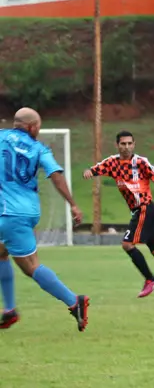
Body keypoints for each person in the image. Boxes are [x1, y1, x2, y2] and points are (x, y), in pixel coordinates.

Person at [0, 107, 89, 331]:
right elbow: (55, 176)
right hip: (24, 212)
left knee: (31, 267)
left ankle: (74, 301)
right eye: (38, 126)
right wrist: (73, 204)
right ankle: (9, 310)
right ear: (31, 127)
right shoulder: (40, 149)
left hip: (7, 212)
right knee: (2, 253)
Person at [83, 131, 154, 303]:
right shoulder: (112, 163)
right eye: (123, 144)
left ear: (134, 144)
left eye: (129, 144)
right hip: (139, 211)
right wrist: (88, 171)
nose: (126, 147)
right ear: (117, 145)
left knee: (127, 244)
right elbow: (94, 169)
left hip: (145, 208)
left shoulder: (141, 162)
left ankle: (151, 280)